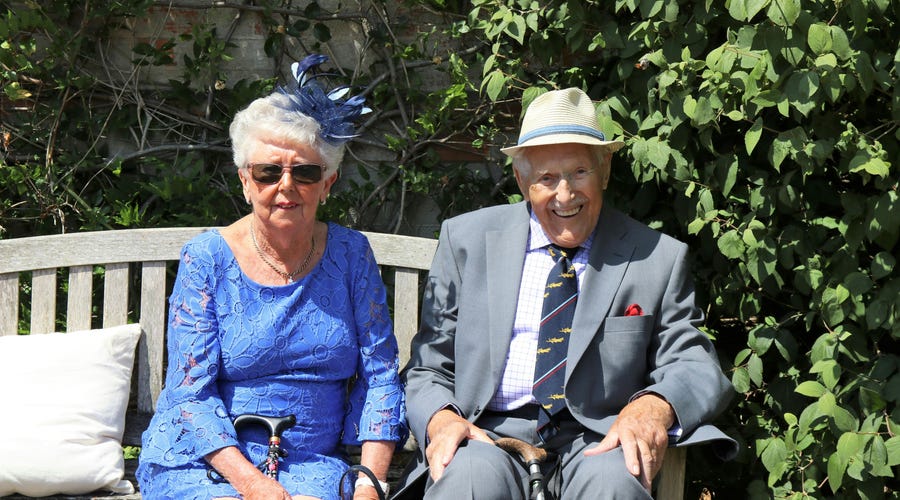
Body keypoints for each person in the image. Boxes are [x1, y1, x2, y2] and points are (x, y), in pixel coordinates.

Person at [395, 87, 736, 499]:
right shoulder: (466, 240)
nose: (565, 194)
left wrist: (653, 408)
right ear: (522, 181)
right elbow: (428, 366)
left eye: (579, 172)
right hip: (487, 434)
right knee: (466, 479)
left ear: (604, 170)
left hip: (597, 439)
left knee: (615, 484)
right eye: (547, 178)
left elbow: (693, 363)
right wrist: (442, 419)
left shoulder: (656, 257)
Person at [136, 54, 404, 500]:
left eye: (305, 172)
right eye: (268, 172)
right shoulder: (206, 259)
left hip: (310, 463)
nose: (286, 185)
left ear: (327, 183)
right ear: (245, 181)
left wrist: (369, 482)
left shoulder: (351, 254)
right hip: (206, 461)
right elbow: (190, 394)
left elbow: (380, 376)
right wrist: (253, 484)